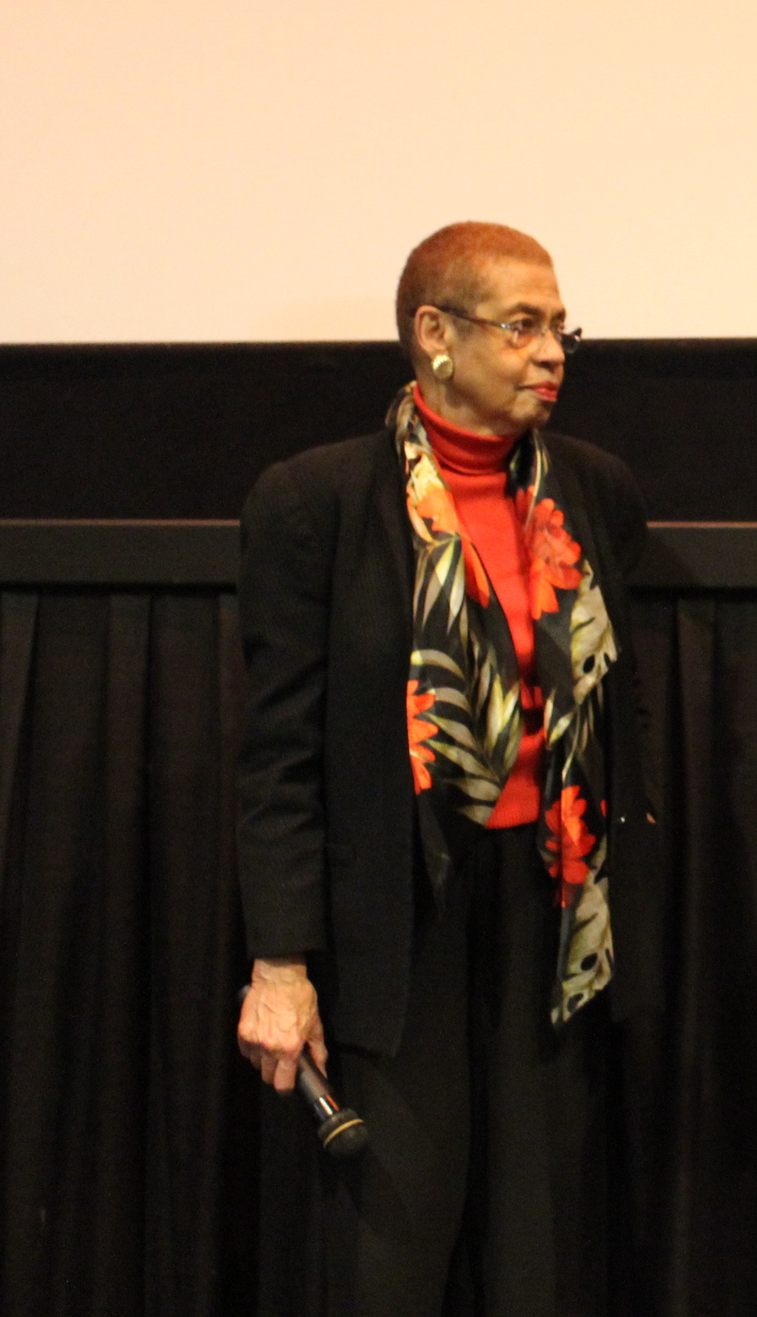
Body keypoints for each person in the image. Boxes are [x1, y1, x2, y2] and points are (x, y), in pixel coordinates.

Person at [234, 222, 651, 1317]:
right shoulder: (318, 500)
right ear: (434, 335)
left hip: (548, 915)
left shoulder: (592, 491)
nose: (553, 350)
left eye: (561, 326)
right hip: (398, 922)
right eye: (522, 325)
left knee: (538, 1257)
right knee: (392, 1256)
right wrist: (280, 960)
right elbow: (278, 751)